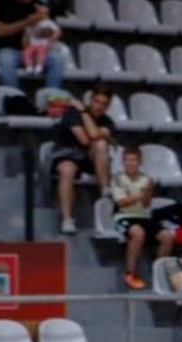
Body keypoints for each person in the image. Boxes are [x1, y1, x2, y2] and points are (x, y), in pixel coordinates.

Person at [50, 86, 115, 236]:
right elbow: (85, 140)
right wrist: (85, 113)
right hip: (67, 153)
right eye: (97, 101)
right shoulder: (72, 112)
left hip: (89, 158)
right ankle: (67, 220)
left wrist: (84, 113)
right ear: (91, 100)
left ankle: (105, 190)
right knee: (67, 170)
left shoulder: (107, 121)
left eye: (104, 104)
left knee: (101, 144)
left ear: (108, 106)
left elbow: (95, 136)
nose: (99, 106)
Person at [108, 145, 167, 291]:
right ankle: (130, 273)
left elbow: (146, 204)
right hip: (122, 216)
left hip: (142, 216)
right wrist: (140, 195)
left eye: (133, 160)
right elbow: (121, 202)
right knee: (138, 233)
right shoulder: (117, 178)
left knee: (167, 237)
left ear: (139, 162)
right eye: (126, 160)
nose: (129, 163)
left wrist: (148, 191)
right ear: (122, 162)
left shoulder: (145, 179)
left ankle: (156, 271)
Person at [0, 0, 64, 89]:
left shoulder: (39, 6)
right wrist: (27, 22)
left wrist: (49, 35)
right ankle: (15, 97)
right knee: (6, 59)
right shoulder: (4, 3)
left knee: (57, 59)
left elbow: (55, 31)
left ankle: (51, 97)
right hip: (10, 49)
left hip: (36, 50)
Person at [20, 11, 60, 76]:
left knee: (41, 53)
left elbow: (57, 32)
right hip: (32, 45)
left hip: (42, 45)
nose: (32, 17)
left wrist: (51, 40)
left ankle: (39, 66)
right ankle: (29, 66)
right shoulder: (28, 26)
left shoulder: (47, 23)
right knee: (26, 52)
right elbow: (25, 41)